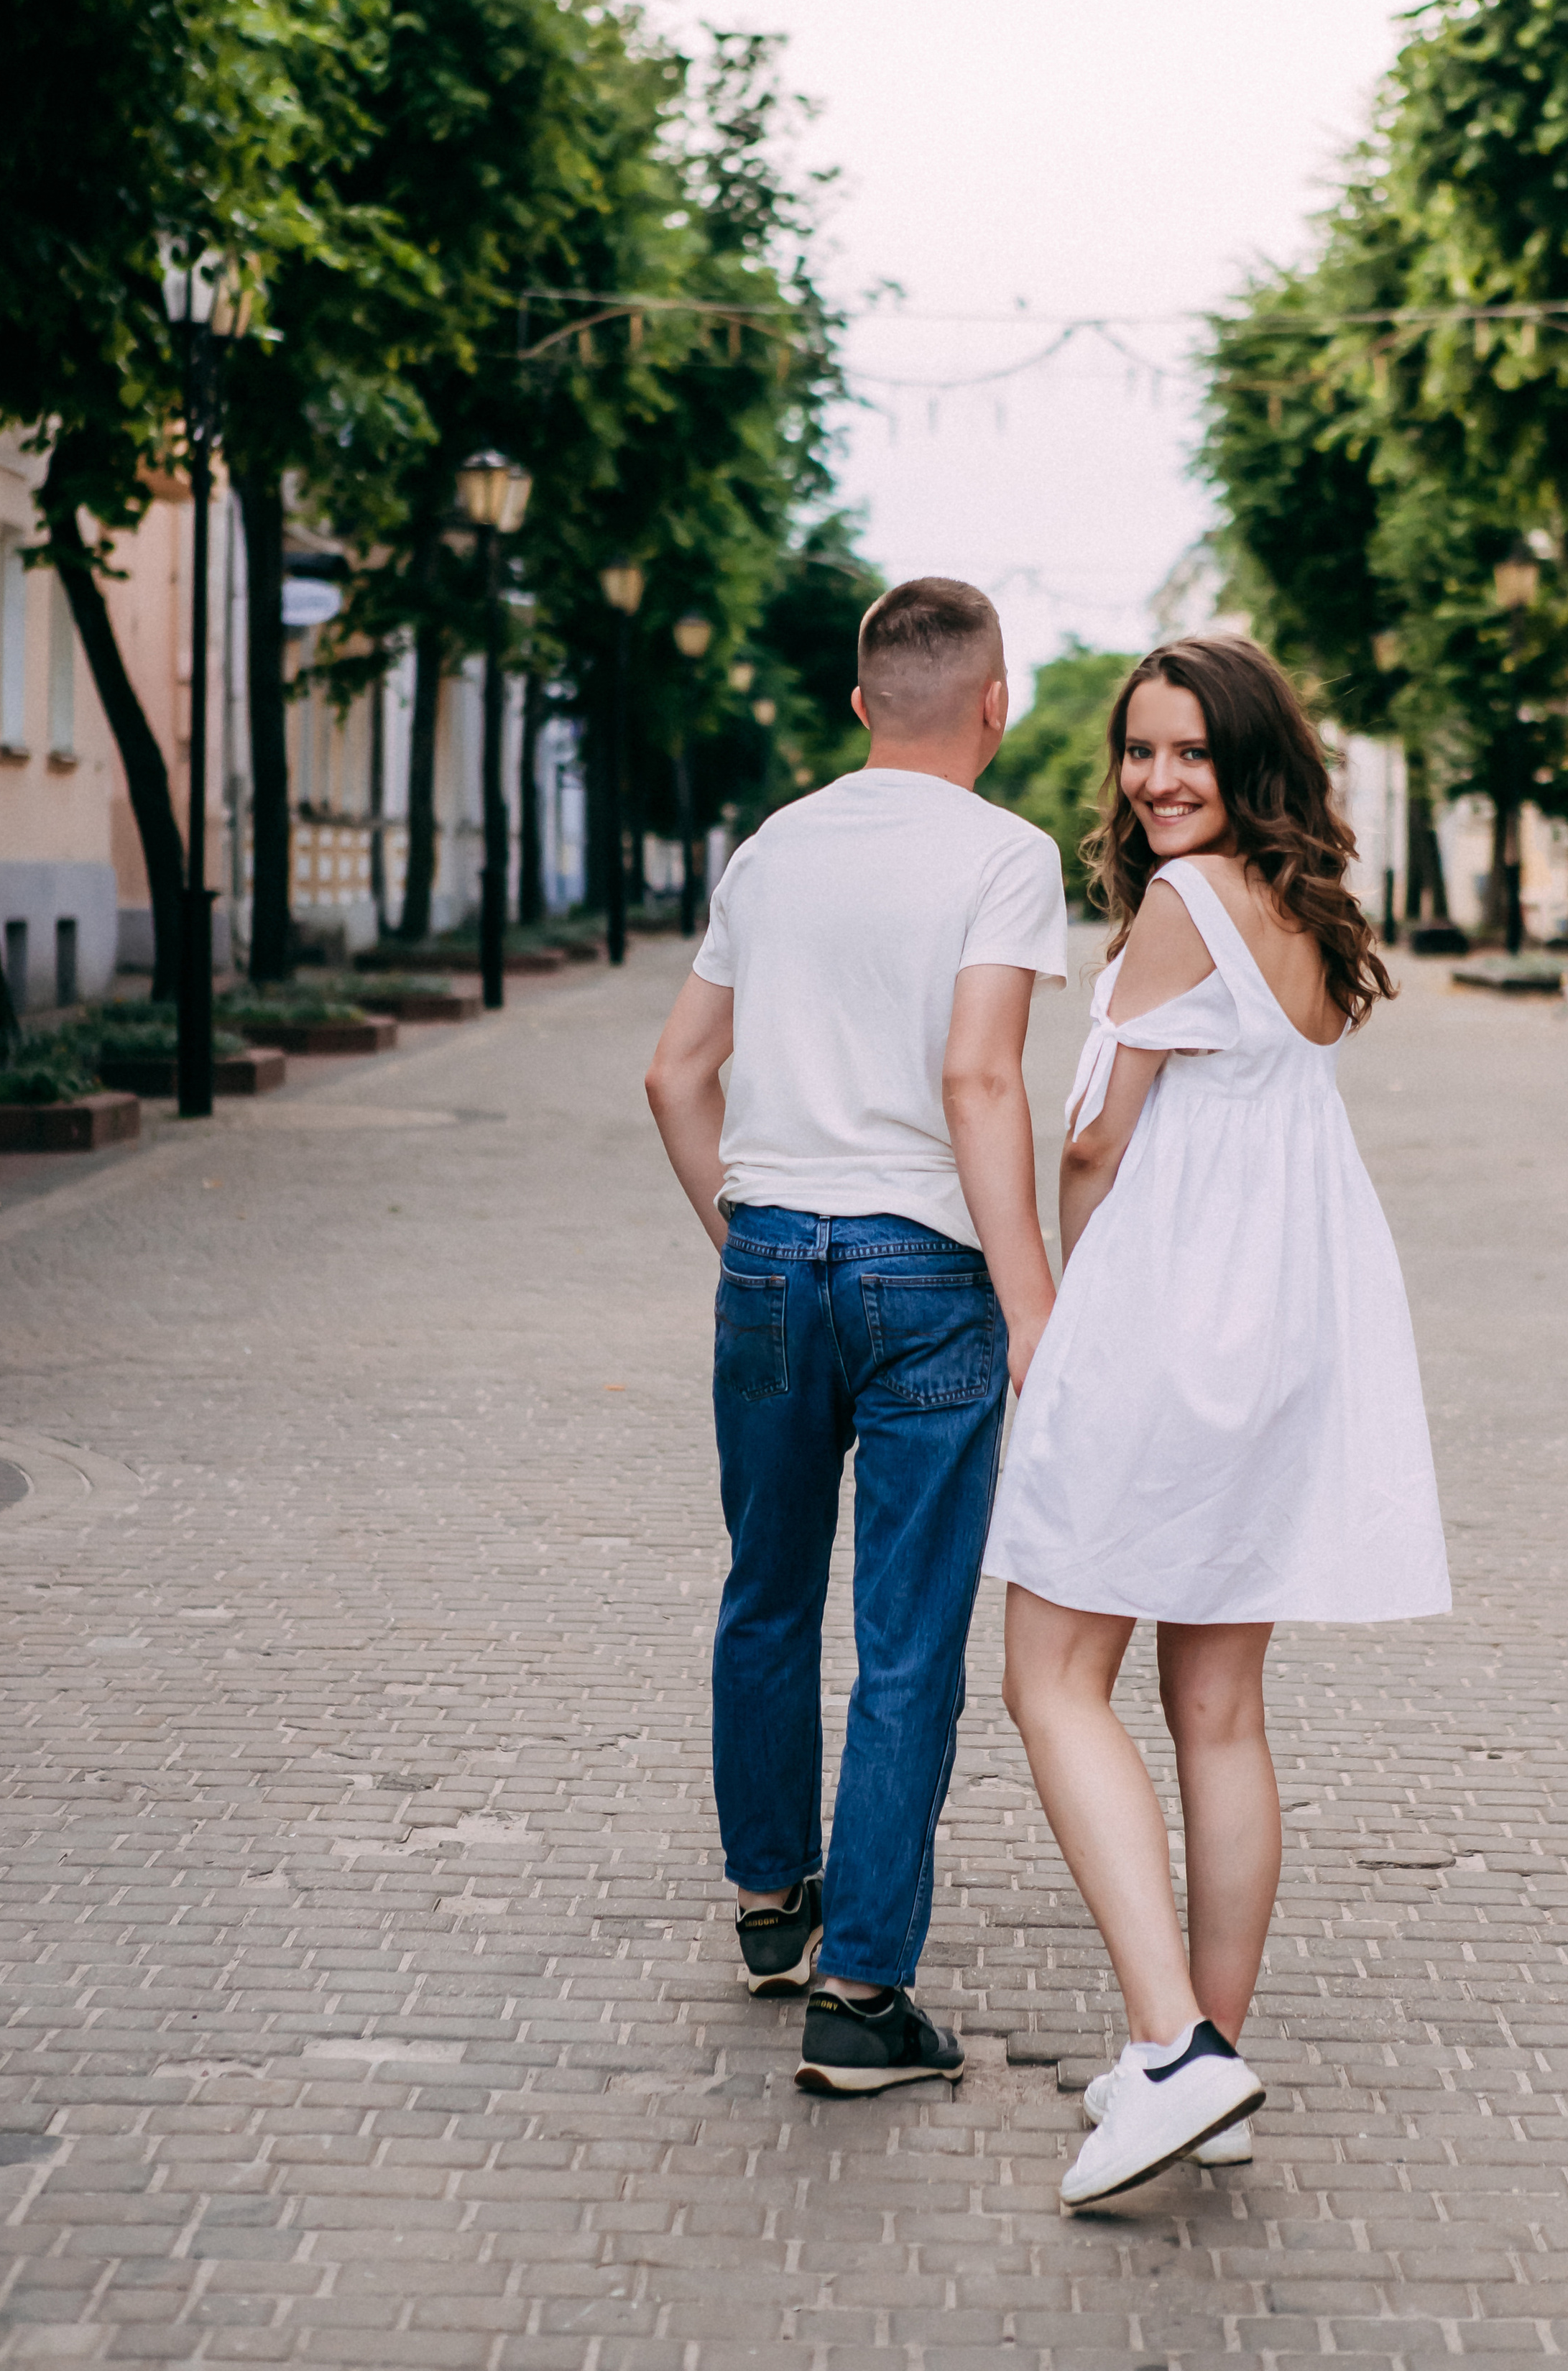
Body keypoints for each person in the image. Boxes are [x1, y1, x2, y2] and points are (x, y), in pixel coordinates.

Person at [982, 635, 1451, 2209]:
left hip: (1168, 1321)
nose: (1155, 778)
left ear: (1242, 759)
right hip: (1285, 1330)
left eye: (1185, 751)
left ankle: (1172, 2050)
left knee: (1047, 1676)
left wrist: (1039, 1318)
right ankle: (1212, 2072)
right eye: (1136, 751)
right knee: (1219, 1711)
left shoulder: (1181, 907)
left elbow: (1094, 1149)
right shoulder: (1298, 906)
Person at [646, 576, 1069, 2097]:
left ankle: (772, 1909)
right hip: (921, 1276)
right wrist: (1036, 1314)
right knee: (904, 1641)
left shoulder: (772, 848)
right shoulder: (1006, 857)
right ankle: (862, 1995)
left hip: (768, 1253)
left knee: (763, 1595)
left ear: (856, 704)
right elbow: (978, 1084)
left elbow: (673, 1079)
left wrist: (750, 1241)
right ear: (994, 703)